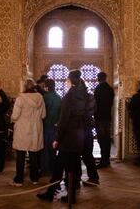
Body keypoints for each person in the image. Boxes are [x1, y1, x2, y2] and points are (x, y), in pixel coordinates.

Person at [37, 70, 88, 204]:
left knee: (60, 167)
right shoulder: (83, 95)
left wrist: (57, 139)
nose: (66, 82)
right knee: (72, 168)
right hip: (78, 137)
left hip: (68, 139)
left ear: (70, 81)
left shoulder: (69, 97)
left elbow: (64, 120)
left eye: (67, 80)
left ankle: (56, 195)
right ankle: (67, 195)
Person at [10, 79, 46, 186]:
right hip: (35, 129)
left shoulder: (20, 98)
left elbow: (15, 115)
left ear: (25, 87)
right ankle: (34, 178)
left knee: (20, 155)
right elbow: (43, 115)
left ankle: (19, 180)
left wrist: (12, 119)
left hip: (23, 129)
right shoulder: (40, 97)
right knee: (34, 154)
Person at [79, 80, 100, 185]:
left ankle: (75, 180)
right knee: (88, 155)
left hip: (77, 129)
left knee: (76, 155)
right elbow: (94, 110)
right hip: (87, 128)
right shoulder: (90, 97)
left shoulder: (74, 97)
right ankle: (93, 178)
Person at [94, 72, 115, 168]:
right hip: (107, 117)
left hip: (99, 118)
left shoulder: (98, 89)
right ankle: (107, 159)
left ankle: (104, 160)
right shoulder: (110, 89)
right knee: (107, 139)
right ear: (105, 78)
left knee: (102, 139)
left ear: (98, 78)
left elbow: (95, 104)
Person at [41, 79, 61, 176]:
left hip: (45, 127)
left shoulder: (44, 97)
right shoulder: (58, 97)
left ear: (46, 86)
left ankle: (45, 170)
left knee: (45, 150)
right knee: (53, 149)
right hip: (55, 127)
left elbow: (42, 114)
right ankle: (53, 169)